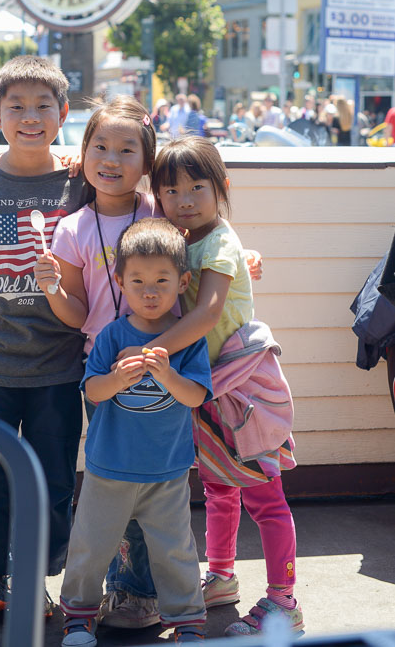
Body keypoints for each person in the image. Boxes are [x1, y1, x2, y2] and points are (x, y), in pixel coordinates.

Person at [34, 98, 263, 630]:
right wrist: (49, 289)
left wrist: (244, 258)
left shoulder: (157, 215)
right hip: (105, 362)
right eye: (100, 148)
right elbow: (75, 312)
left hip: (169, 356)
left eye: (126, 149)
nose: (112, 158)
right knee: (111, 484)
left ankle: (139, 595)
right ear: (84, 153)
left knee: (156, 488)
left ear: (146, 163)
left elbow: (202, 242)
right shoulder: (72, 228)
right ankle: (97, 602)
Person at [0, 55, 87, 620]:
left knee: (53, 478)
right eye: (16, 107)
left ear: (63, 114)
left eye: (42, 106)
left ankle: (38, 575)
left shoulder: (80, 181)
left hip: (60, 364)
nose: (30, 117)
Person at [146, 136, 303, 637]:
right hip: (207, 385)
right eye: (172, 191)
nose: (185, 199)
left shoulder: (219, 243)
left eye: (198, 186)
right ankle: (221, 576)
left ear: (222, 188)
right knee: (217, 485)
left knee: (265, 495)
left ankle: (285, 600)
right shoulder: (178, 237)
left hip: (242, 387)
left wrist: (157, 352)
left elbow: (210, 310)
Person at [58, 218, 212, 646]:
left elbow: (195, 397)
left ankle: (188, 624)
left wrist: (166, 373)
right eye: (138, 280)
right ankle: (77, 619)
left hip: (168, 469)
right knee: (91, 546)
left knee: (175, 551)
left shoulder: (186, 341)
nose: (150, 290)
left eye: (162, 280)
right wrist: (118, 379)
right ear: (121, 284)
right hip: (110, 467)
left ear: (182, 282)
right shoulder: (111, 336)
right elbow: (92, 390)